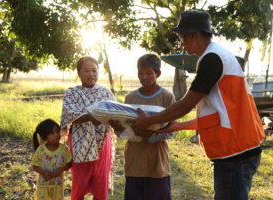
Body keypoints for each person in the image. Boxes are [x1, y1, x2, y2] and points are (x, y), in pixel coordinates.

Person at [131, 10, 265, 200]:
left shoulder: (212, 59)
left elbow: (185, 104)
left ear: (193, 34)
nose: (182, 43)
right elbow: (218, 116)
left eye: (182, 37)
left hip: (235, 154)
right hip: (238, 149)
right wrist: (178, 126)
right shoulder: (217, 56)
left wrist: (148, 121)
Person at [110, 53, 175, 200]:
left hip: (157, 161)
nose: (144, 77)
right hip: (134, 160)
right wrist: (119, 129)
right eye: (140, 73)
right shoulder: (130, 98)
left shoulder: (167, 97)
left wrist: (152, 135)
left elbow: (172, 130)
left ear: (157, 74)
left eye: (149, 73)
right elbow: (126, 129)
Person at [60, 56, 116, 200]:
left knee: (101, 179)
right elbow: (70, 114)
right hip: (80, 142)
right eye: (86, 71)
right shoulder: (72, 92)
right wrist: (94, 117)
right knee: (80, 179)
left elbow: (115, 112)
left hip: (103, 141)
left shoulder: (105, 93)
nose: (91, 74)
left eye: (94, 70)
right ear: (79, 73)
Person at [31, 119, 72, 200]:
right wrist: (43, 172)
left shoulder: (64, 149)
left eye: (57, 131)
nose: (56, 135)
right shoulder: (41, 150)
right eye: (52, 133)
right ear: (44, 136)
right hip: (43, 186)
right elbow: (34, 166)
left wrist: (60, 169)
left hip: (58, 185)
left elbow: (69, 163)